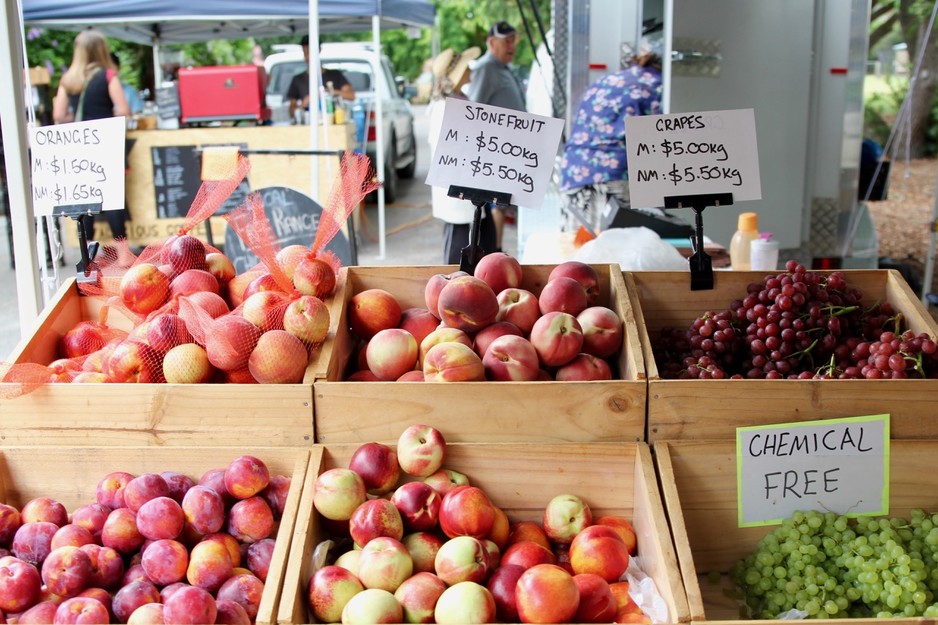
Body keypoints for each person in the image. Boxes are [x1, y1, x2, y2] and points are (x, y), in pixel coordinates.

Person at [558, 40, 663, 233]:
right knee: (623, 255)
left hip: (574, 172)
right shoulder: (660, 86)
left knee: (580, 253)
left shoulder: (608, 81)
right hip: (618, 176)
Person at [52, 30, 133, 266]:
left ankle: (88, 254)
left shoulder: (68, 79)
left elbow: (59, 114)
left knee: (86, 199)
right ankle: (123, 254)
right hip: (106, 144)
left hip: (81, 148)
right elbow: (123, 109)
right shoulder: (108, 76)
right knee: (113, 200)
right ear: (101, 50)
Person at [427, 46, 498, 264]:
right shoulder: (447, 106)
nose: (469, 69)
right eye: (465, 66)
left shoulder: (457, 101)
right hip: (459, 183)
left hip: (470, 180)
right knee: (459, 237)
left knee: (480, 232)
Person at [467, 21, 527, 252]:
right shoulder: (486, 68)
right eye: (507, 41)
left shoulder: (504, 68)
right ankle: (493, 252)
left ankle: (497, 250)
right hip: (494, 149)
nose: (512, 46)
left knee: (502, 204)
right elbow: (475, 109)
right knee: (495, 204)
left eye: (514, 40)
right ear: (492, 43)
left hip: (510, 150)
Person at [287, 35, 355, 123]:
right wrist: (304, 103)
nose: (308, 57)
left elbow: (351, 96)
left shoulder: (334, 74)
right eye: (305, 52)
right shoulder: (298, 80)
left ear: (319, 51)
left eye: (311, 52)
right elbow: (291, 112)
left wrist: (328, 93)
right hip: (309, 124)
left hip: (333, 123)